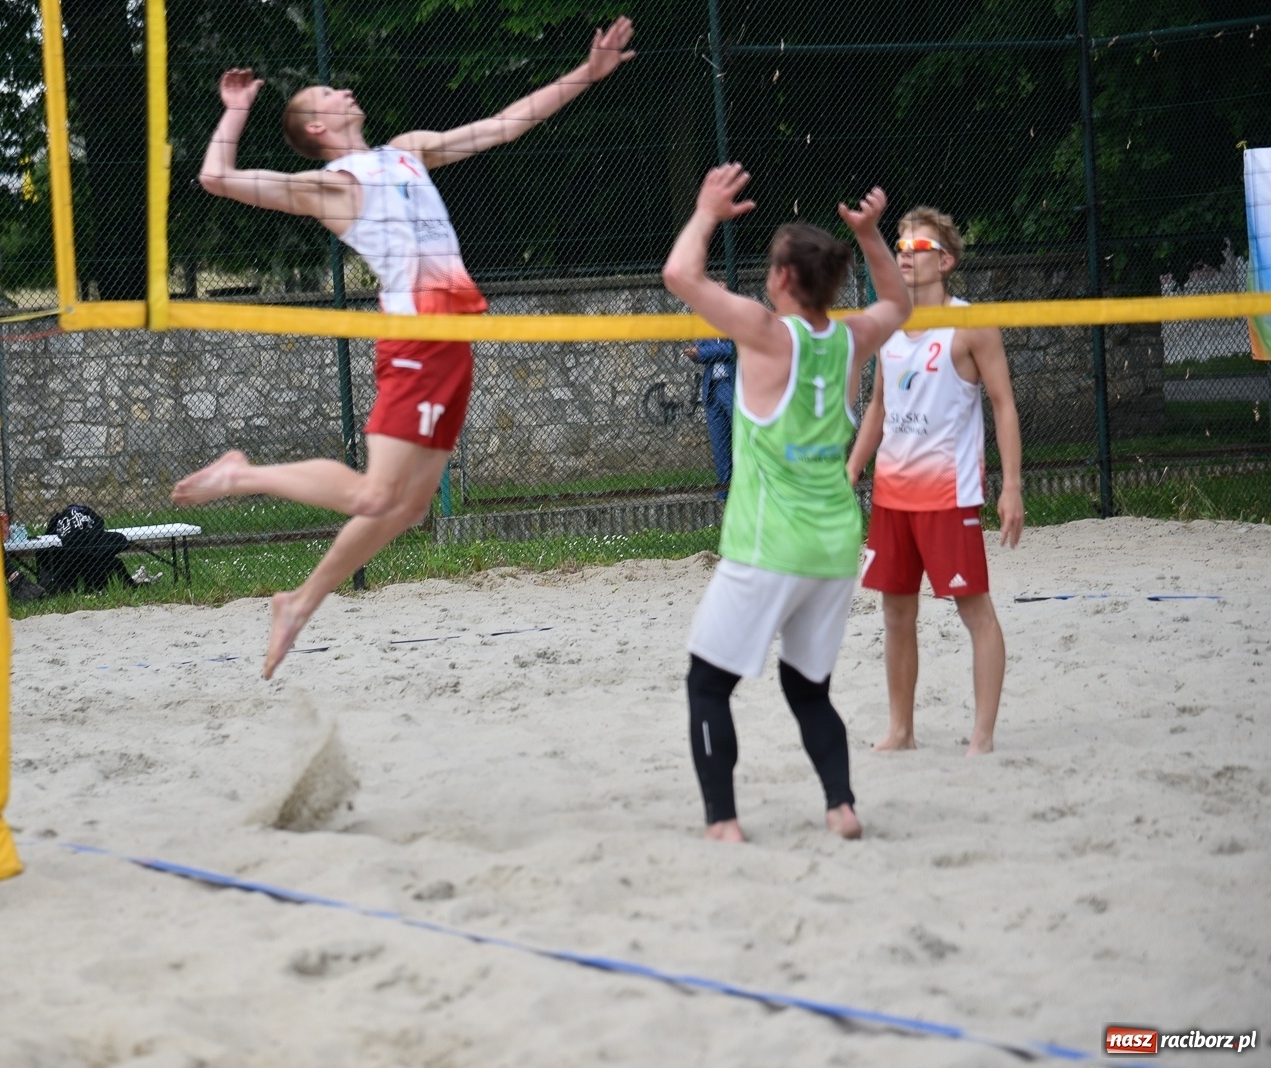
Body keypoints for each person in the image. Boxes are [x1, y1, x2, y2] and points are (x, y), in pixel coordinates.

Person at [173, 18, 637, 679]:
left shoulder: (407, 150)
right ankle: (242, 475)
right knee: (373, 496)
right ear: (317, 129)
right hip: (417, 338)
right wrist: (237, 111)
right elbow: (217, 177)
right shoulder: (331, 186)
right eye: (328, 95)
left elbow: (503, 126)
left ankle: (299, 603)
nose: (341, 91)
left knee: (409, 508)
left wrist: (586, 74)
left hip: (453, 339)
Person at [662, 164, 911, 843]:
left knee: (707, 686)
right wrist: (871, 236)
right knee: (808, 690)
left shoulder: (769, 334)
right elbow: (899, 305)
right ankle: (841, 806)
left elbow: (681, 275)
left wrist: (708, 209)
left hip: (769, 544)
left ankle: (723, 823)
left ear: (781, 280)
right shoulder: (851, 337)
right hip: (834, 546)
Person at [845, 206, 1024, 756]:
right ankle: (902, 730)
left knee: (975, 610)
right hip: (894, 496)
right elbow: (878, 406)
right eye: (898, 245)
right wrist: (852, 470)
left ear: (944, 261)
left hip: (950, 494)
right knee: (896, 612)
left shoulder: (969, 324)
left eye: (915, 247)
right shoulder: (891, 322)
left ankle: (982, 735)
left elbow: (1003, 404)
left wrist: (1012, 485)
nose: (903, 253)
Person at [683, 338, 736, 498]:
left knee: (742, 442)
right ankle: (724, 495)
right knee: (720, 447)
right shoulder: (707, 322)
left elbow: (734, 349)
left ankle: (747, 491)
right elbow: (698, 352)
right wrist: (698, 354)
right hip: (712, 391)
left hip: (732, 386)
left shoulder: (736, 317)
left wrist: (706, 351)